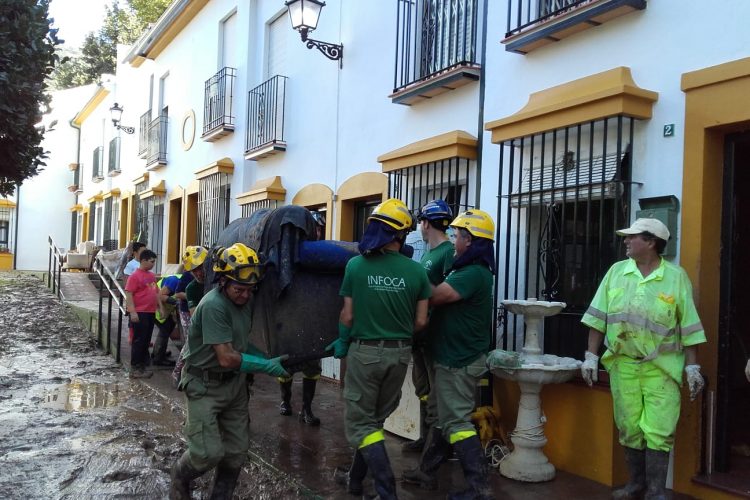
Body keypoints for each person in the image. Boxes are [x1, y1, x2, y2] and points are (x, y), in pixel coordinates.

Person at [580, 218, 706, 500]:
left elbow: (689, 326)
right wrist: (590, 356)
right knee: (629, 427)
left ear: (650, 242)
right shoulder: (616, 272)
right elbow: (598, 318)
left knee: (659, 429)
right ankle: (636, 483)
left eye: (632, 237)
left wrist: (693, 367)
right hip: (623, 363)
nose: (625, 240)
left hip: (662, 367)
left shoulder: (675, 277)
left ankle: (656, 490)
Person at [326, 198, 431, 499]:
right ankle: (355, 481)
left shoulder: (356, 266)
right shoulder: (416, 272)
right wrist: (396, 335)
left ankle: (387, 490)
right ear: (401, 235)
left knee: (360, 424)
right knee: (374, 422)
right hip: (399, 354)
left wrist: (345, 341)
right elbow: (422, 321)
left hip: (365, 352)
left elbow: (347, 315)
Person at [170, 243, 291, 499]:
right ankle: (179, 477)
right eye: (239, 289)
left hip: (234, 387)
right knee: (206, 454)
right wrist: (265, 366)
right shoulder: (214, 305)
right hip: (204, 386)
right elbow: (226, 357)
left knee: (235, 453)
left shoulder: (244, 302)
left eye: (250, 290)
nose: (245, 296)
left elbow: (240, 343)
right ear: (222, 281)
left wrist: (266, 358)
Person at [404, 209, 496, 499]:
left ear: (469, 241)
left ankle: (479, 488)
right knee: (444, 419)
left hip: (459, 361)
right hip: (451, 357)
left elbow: (435, 296)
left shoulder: (472, 273)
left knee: (456, 421)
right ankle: (426, 472)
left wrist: (410, 274)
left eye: (457, 236)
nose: (454, 240)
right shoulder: (464, 269)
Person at [402, 199, 454, 453]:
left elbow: (446, 294)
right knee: (422, 385)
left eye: (420, 221)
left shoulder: (447, 252)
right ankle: (424, 437)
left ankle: (435, 447)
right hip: (420, 333)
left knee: (434, 391)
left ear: (426, 223)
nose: (419, 227)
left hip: (434, 332)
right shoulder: (429, 253)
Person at [277, 210, 326, 425]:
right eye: (314, 227)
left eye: (319, 228)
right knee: (286, 366)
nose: (316, 231)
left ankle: (306, 409)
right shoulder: (286, 251)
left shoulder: (323, 255)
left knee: (312, 366)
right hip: (289, 318)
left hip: (313, 320)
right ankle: (285, 401)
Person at [172, 245, 208, 387]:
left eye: (201, 268)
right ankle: (177, 372)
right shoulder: (190, 285)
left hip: (206, 314)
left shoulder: (216, 279)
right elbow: (178, 294)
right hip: (188, 311)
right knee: (190, 342)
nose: (198, 273)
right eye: (195, 270)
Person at [124, 249, 158, 379]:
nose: (153, 264)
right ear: (143, 261)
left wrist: (160, 307)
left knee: (146, 339)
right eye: (151, 261)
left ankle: (143, 366)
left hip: (150, 311)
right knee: (139, 340)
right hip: (140, 312)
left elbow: (155, 292)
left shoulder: (151, 275)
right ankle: (136, 368)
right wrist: (132, 312)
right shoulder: (135, 276)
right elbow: (129, 294)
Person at [152, 272, 182, 367]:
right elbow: (160, 296)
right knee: (165, 329)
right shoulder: (175, 281)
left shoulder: (180, 281)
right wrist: (176, 302)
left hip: (163, 306)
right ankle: (158, 358)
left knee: (167, 328)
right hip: (155, 305)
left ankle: (157, 353)